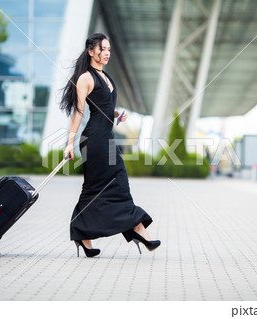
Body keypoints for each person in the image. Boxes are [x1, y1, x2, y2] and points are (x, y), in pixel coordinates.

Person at [60, 33, 161, 258]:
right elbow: (78, 112)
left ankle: (82, 235)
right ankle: (138, 230)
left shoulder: (105, 77)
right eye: (102, 49)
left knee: (103, 187)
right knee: (111, 183)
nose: (106, 53)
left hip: (107, 138)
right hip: (95, 141)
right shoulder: (86, 78)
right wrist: (69, 144)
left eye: (108, 49)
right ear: (90, 51)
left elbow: (102, 106)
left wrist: (116, 113)